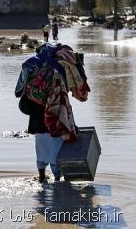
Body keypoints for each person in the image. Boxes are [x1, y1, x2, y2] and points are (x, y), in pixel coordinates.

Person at [15, 43, 90, 183]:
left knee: (41, 148)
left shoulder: (38, 63)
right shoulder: (65, 67)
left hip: (37, 115)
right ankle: (56, 178)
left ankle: (42, 177)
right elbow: (70, 95)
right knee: (56, 148)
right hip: (54, 114)